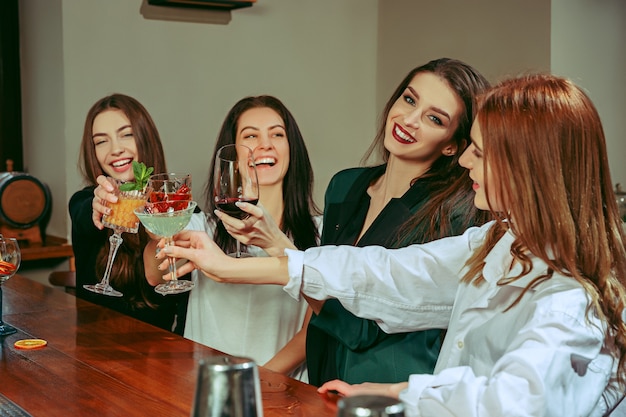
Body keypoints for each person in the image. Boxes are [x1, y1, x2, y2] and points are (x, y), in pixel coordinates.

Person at [157, 74, 626, 416]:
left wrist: (403, 394)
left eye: (479, 152)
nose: (465, 159)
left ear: (530, 169)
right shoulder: (496, 240)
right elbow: (390, 273)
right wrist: (393, 391)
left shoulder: (569, 303)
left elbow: (510, 403)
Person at [304, 58, 492, 386]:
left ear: (452, 146)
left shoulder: (452, 215)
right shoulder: (344, 185)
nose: (409, 119)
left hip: (389, 388)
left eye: (434, 118)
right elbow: (324, 296)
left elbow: (361, 326)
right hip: (324, 376)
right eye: (409, 99)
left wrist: (280, 252)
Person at [144, 95, 321, 381]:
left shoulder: (320, 234)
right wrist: (158, 232)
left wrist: (256, 380)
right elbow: (154, 274)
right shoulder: (203, 227)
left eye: (277, 134)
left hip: (280, 389)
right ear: (232, 157)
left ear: (292, 149)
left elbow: (313, 330)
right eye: (251, 135)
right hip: (205, 383)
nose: (266, 144)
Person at [70, 93, 188, 334]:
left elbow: (184, 307)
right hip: (94, 354)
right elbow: (84, 214)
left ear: (146, 138)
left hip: (158, 357)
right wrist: (97, 206)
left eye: (126, 134)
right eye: (101, 141)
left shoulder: (176, 209)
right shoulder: (85, 201)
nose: (115, 149)